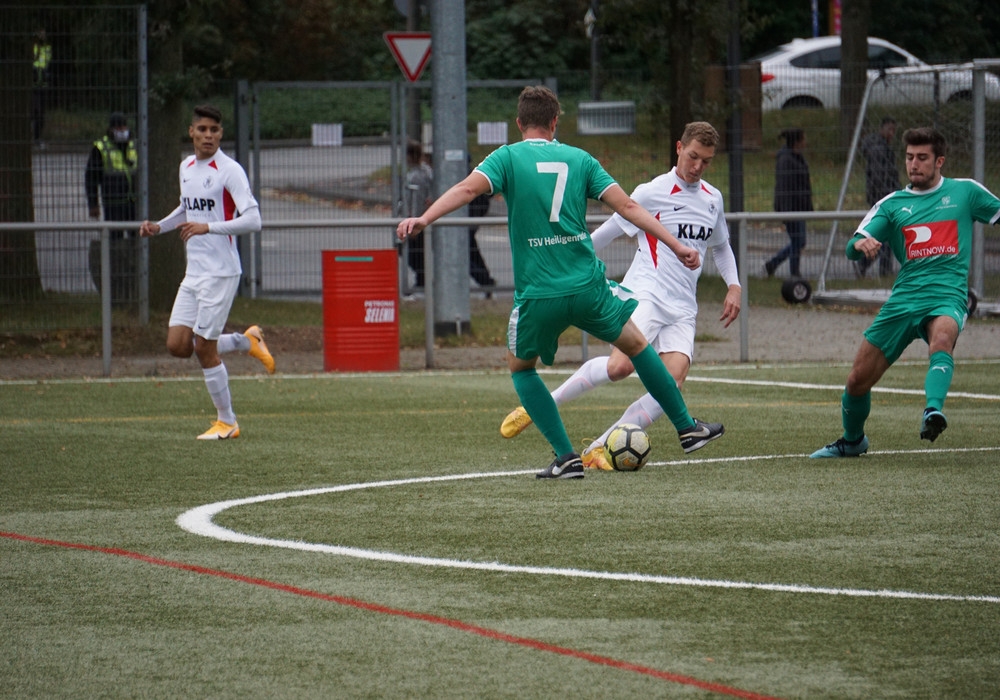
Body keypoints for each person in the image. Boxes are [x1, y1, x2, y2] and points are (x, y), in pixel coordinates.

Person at [396, 86, 725, 479]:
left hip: (540, 292)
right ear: (555, 123)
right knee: (637, 347)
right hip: (588, 288)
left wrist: (424, 218)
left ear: (519, 124)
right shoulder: (580, 159)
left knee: (521, 369)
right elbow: (629, 208)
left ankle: (566, 457)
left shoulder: (507, 157)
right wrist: (676, 245)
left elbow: (467, 190)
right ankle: (686, 428)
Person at [498, 121, 741, 470]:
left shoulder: (712, 199)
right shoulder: (651, 192)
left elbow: (721, 247)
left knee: (673, 383)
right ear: (678, 148)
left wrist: (734, 285)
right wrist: (568, 263)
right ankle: (540, 406)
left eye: (706, 161)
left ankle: (596, 448)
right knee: (619, 366)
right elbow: (605, 234)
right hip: (646, 293)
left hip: (684, 307)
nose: (698, 166)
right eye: (693, 156)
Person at [810, 127, 1000, 458]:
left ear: (939, 160)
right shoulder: (893, 204)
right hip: (903, 300)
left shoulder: (965, 193)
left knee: (942, 339)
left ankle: (932, 411)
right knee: (856, 381)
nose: (914, 164)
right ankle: (853, 440)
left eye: (922, 158)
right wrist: (860, 244)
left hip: (947, 295)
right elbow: (851, 248)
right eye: (910, 157)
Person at [139, 105, 275, 440]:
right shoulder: (185, 166)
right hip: (194, 273)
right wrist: (160, 226)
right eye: (202, 129)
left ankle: (227, 422)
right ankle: (246, 340)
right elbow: (187, 207)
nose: (208, 135)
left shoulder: (230, 171)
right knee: (178, 345)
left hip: (221, 272)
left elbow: (253, 220)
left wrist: (208, 228)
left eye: (214, 130)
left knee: (203, 347)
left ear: (220, 134)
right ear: (191, 132)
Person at [85, 112, 138, 304]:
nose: (122, 131)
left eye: (124, 127)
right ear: (111, 129)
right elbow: (91, 178)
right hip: (113, 204)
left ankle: (136, 284)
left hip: (134, 204)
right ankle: (117, 286)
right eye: (118, 128)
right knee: (114, 243)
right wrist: (93, 204)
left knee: (137, 241)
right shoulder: (101, 148)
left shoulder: (135, 144)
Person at [764, 128, 812, 279]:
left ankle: (773, 264)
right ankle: (793, 273)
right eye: (804, 138)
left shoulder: (797, 157)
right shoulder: (786, 160)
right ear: (797, 142)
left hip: (799, 208)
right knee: (799, 240)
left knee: (799, 241)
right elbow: (784, 187)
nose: (806, 142)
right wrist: (786, 211)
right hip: (791, 208)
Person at [857, 117, 901, 277]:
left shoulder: (882, 147)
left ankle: (872, 265)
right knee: (886, 235)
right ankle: (870, 265)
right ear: (882, 129)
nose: (892, 134)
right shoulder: (878, 149)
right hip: (883, 198)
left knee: (885, 234)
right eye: (889, 129)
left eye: (894, 130)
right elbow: (879, 176)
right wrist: (888, 196)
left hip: (884, 196)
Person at [401, 139, 433, 291]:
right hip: (418, 216)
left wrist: (413, 221)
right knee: (417, 252)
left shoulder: (417, 176)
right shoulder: (421, 171)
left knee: (412, 252)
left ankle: (422, 281)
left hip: (417, 218)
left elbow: (417, 200)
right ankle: (422, 280)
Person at [467, 187, 497, 296]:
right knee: (470, 249)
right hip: (474, 206)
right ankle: (487, 282)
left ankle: (486, 282)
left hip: (472, 208)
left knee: (460, 253)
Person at [32, 28, 52, 144]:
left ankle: (37, 138)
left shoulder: (47, 48)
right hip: (33, 85)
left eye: (44, 32)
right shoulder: (33, 47)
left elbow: (47, 64)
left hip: (43, 85)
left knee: (41, 113)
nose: (42, 35)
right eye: (40, 32)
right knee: (35, 111)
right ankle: (34, 136)